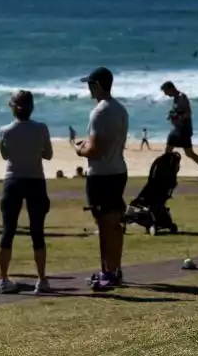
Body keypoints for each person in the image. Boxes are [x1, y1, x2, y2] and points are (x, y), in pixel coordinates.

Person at [72, 67, 129, 292]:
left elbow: (95, 150)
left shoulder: (99, 112)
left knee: (105, 225)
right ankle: (114, 269)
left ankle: (108, 271)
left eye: (90, 85)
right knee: (114, 223)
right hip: (118, 170)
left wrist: (79, 148)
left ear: (97, 86)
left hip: (101, 174)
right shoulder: (120, 109)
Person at [0, 89, 53, 295]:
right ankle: (42, 279)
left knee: (8, 230)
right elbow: (48, 154)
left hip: (13, 180)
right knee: (37, 231)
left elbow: (5, 156)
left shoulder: (5, 130)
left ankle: (3, 279)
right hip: (36, 180)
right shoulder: (41, 128)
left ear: (13, 107)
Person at [161, 81, 198, 181]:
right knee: (184, 152)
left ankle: (166, 172)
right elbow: (178, 111)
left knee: (180, 151)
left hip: (183, 129)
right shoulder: (176, 99)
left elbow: (188, 113)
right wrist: (171, 115)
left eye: (165, 91)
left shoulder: (182, 97)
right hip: (178, 129)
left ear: (170, 88)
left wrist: (178, 116)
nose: (165, 94)